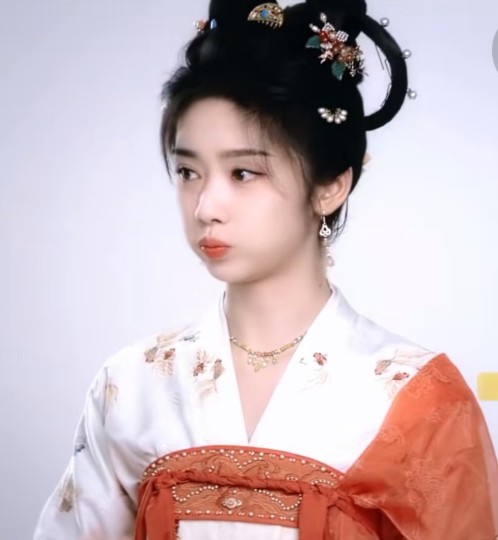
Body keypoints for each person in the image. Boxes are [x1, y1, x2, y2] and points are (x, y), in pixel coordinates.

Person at [34, 0, 498, 538]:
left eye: (243, 173)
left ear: (330, 185)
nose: (206, 205)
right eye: (187, 171)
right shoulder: (131, 384)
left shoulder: (415, 398)